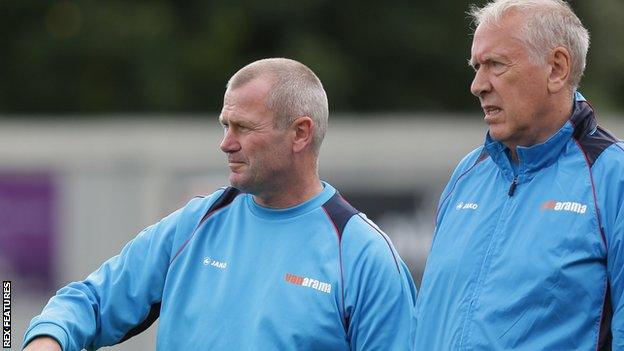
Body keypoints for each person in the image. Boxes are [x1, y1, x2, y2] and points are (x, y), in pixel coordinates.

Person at [22, 58, 417, 350]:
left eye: (243, 127)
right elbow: (89, 301)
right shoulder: (195, 224)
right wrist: (47, 337)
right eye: (225, 125)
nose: (226, 143)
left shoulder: (365, 257)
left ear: (300, 133)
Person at [414, 0, 624, 349]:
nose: (478, 85)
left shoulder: (614, 177)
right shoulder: (467, 174)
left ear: (556, 68)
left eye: (495, 64)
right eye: (476, 66)